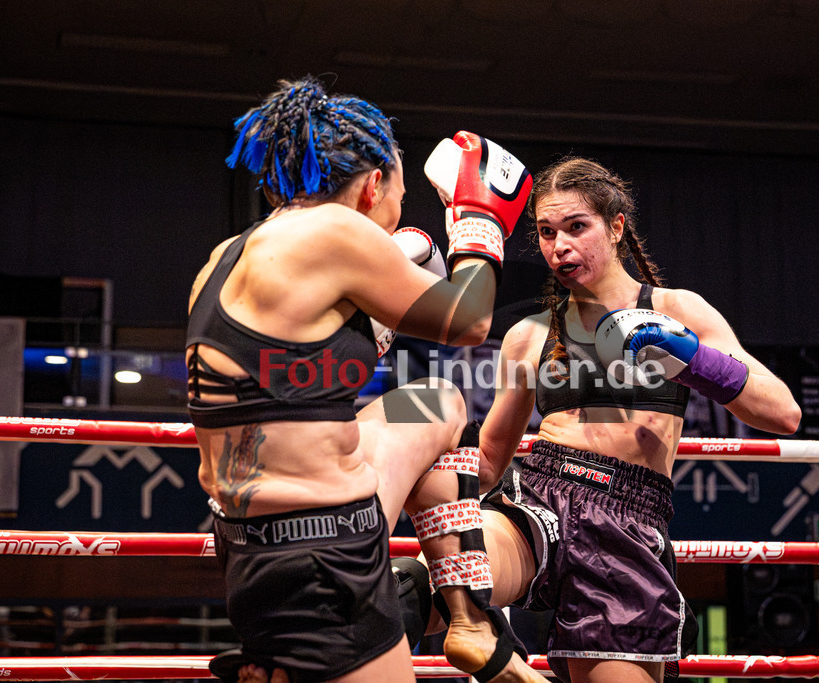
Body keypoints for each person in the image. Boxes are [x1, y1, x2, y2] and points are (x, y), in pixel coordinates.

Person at [185, 75, 548, 683]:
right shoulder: (336, 231)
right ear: (373, 185)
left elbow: (294, 383)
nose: (394, 217)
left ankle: (470, 622)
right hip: (323, 553)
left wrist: (374, 317)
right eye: (399, 198)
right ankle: (469, 623)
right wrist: (479, 225)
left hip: (257, 542)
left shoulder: (227, 256)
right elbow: (470, 320)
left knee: (436, 403)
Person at [462, 156, 803, 683]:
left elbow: (782, 412)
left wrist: (690, 357)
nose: (559, 246)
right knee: (446, 572)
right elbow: (487, 460)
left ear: (616, 226)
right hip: (542, 498)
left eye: (577, 227)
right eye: (547, 232)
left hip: (629, 518)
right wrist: (416, 461)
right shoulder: (528, 336)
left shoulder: (677, 310)